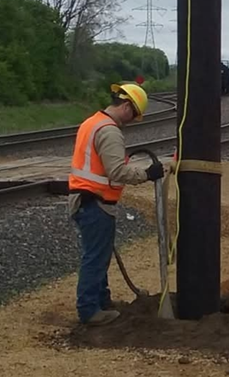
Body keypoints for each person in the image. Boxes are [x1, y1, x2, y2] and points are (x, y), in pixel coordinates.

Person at [68, 82, 166, 326]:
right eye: (134, 115)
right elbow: (117, 171)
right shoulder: (109, 130)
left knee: (98, 255)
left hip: (86, 200)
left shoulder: (92, 122)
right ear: (125, 106)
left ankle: (102, 301)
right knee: (95, 258)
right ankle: (89, 310)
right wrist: (147, 174)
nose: (132, 120)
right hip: (95, 202)